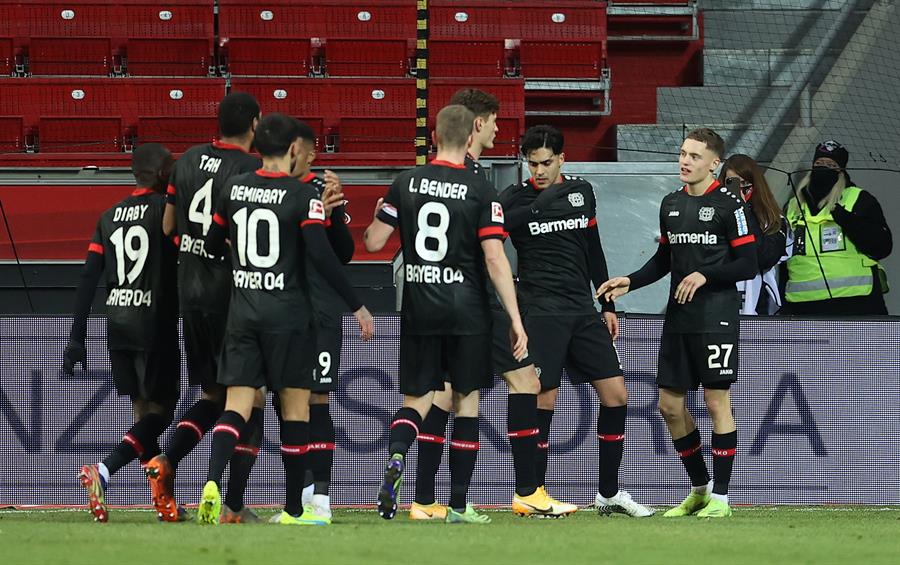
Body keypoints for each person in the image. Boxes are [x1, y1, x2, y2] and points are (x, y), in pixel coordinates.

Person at [194, 113, 374, 526]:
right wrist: (356, 304)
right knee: (296, 410)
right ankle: (295, 509)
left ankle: (212, 484)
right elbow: (325, 256)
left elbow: (211, 245)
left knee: (237, 406)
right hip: (290, 317)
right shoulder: (301, 196)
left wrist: (243, 271)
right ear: (294, 149)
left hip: (243, 315)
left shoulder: (233, 187)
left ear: (257, 144)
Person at [411, 89, 573, 520]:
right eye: (496, 121)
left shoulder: (433, 173)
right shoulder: (473, 179)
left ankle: (425, 500)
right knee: (525, 384)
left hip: (435, 299)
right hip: (478, 301)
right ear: (477, 124)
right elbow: (492, 251)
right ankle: (527, 492)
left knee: (446, 395)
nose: (500, 129)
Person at [364, 104, 527, 523]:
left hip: (419, 307)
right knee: (466, 402)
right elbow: (494, 258)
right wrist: (514, 317)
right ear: (470, 137)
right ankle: (457, 505)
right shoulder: (480, 189)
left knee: (418, 400)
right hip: (466, 310)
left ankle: (398, 455)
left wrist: (379, 213)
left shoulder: (407, 181)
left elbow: (372, 241)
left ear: (433, 136)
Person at [597, 128, 758, 518]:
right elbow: (663, 261)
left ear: (714, 164)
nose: (685, 161)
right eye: (682, 154)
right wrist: (630, 281)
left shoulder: (730, 205)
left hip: (715, 317)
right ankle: (700, 488)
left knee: (715, 400)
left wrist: (706, 275)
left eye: (694, 156)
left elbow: (748, 263)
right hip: (678, 318)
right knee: (670, 406)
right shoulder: (670, 203)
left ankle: (721, 498)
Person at [501, 125, 653, 517]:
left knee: (617, 394)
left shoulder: (582, 192)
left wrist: (607, 304)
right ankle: (534, 492)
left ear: (562, 159)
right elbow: (497, 234)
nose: (539, 170)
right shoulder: (513, 199)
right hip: (541, 310)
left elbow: (592, 247)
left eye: (547, 163)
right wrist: (539, 202)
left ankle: (608, 493)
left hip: (583, 310)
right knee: (543, 397)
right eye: (532, 163)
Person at [145, 92, 266, 524]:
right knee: (251, 396)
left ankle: (167, 459)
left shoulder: (187, 161)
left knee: (214, 395)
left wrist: (193, 252)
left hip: (190, 293)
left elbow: (167, 228)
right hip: (233, 297)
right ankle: (232, 504)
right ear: (254, 124)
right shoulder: (251, 168)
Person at [64, 143, 179, 523]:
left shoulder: (109, 215)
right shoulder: (166, 210)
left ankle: (163, 501)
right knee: (161, 413)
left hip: (118, 322)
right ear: (162, 174)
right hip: (154, 320)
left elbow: (87, 278)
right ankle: (105, 469)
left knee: (142, 412)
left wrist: (76, 337)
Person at [288, 123, 354, 521]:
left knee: (318, 400)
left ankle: (320, 500)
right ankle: (300, 498)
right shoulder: (268, 187)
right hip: (281, 311)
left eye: (296, 149)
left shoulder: (323, 189)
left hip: (321, 312)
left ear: (310, 154)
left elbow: (343, 253)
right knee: (286, 405)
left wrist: (330, 216)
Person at [783, 140, 892, 315]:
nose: (823, 168)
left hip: (856, 303)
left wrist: (846, 219)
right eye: (818, 163)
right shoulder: (793, 205)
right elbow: (783, 258)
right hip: (802, 305)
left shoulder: (859, 200)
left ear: (841, 171)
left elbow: (882, 246)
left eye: (830, 165)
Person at [719, 154, 793, 314]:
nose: (738, 190)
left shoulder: (773, 220)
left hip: (756, 302)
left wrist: (743, 212)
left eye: (744, 183)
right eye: (732, 183)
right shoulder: (714, 217)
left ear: (755, 184)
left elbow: (765, 257)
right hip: (720, 300)